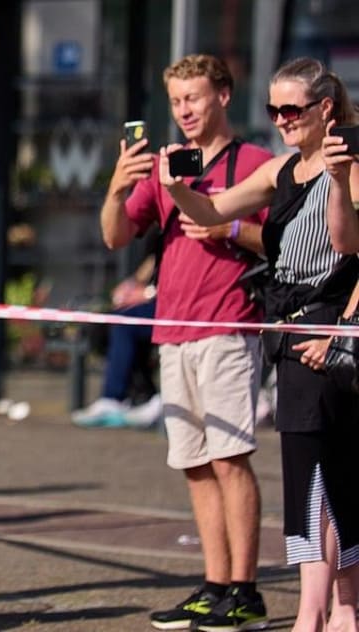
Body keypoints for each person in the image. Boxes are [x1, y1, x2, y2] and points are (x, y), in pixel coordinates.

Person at [167, 56, 359, 632]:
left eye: (292, 110)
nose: (281, 120)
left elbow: (349, 246)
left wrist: (343, 327)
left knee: (321, 473)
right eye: (273, 110)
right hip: (289, 333)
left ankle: (319, 610)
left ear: (325, 108)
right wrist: (175, 186)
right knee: (319, 470)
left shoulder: (349, 168)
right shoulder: (281, 171)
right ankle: (337, 607)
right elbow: (210, 210)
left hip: (330, 328)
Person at [101, 53, 273, 631]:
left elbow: (282, 241)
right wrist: (118, 185)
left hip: (228, 325)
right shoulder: (165, 165)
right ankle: (214, 583)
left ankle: (245, 590)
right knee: (194, 464)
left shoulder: (255, 163)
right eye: (176, 101)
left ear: (222, 95)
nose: (184, 111)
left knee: (229, 458)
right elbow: (116, 235)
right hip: (172, 330)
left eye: (193, 98)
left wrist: (229, 227)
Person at [72, 251, 160, 429]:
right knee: (110, 324)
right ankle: (138, 396)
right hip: (158, 300)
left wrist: (147, 293)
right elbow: (156, 258)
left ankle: (117, 397)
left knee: (125, 323)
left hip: (177, 306)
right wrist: (131, 286)